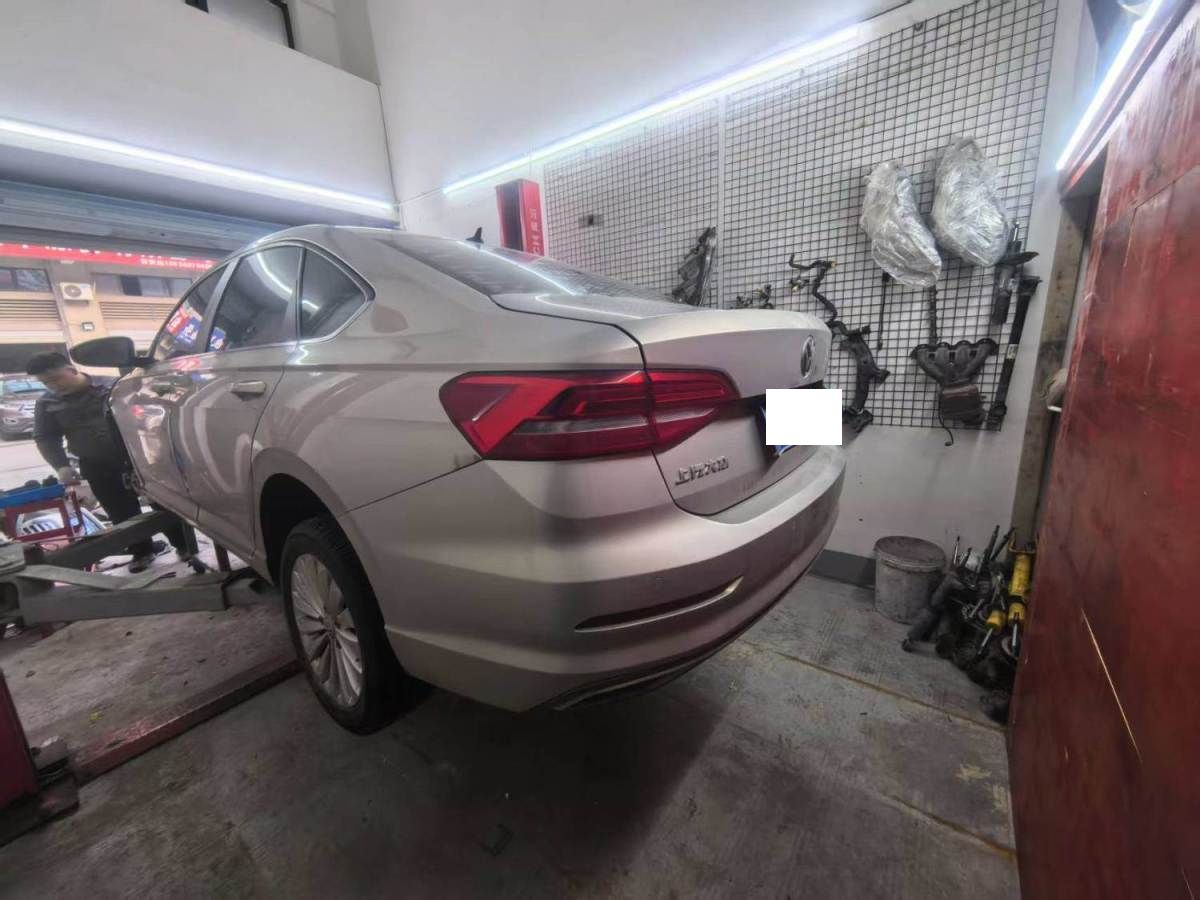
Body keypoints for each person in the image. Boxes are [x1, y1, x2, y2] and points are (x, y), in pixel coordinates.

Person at [26, 351, 189, 572]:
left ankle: (184, 545)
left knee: (163, 503)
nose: (53, 386)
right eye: (46, 382)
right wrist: (61, 465)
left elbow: (155, 407)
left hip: (139, 459)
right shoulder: (47, 403)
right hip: (97, 465)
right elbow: (45, 437)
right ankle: (142, 551)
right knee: (120, 512)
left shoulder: (115, 386)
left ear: (71, 370)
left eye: (56, 378)